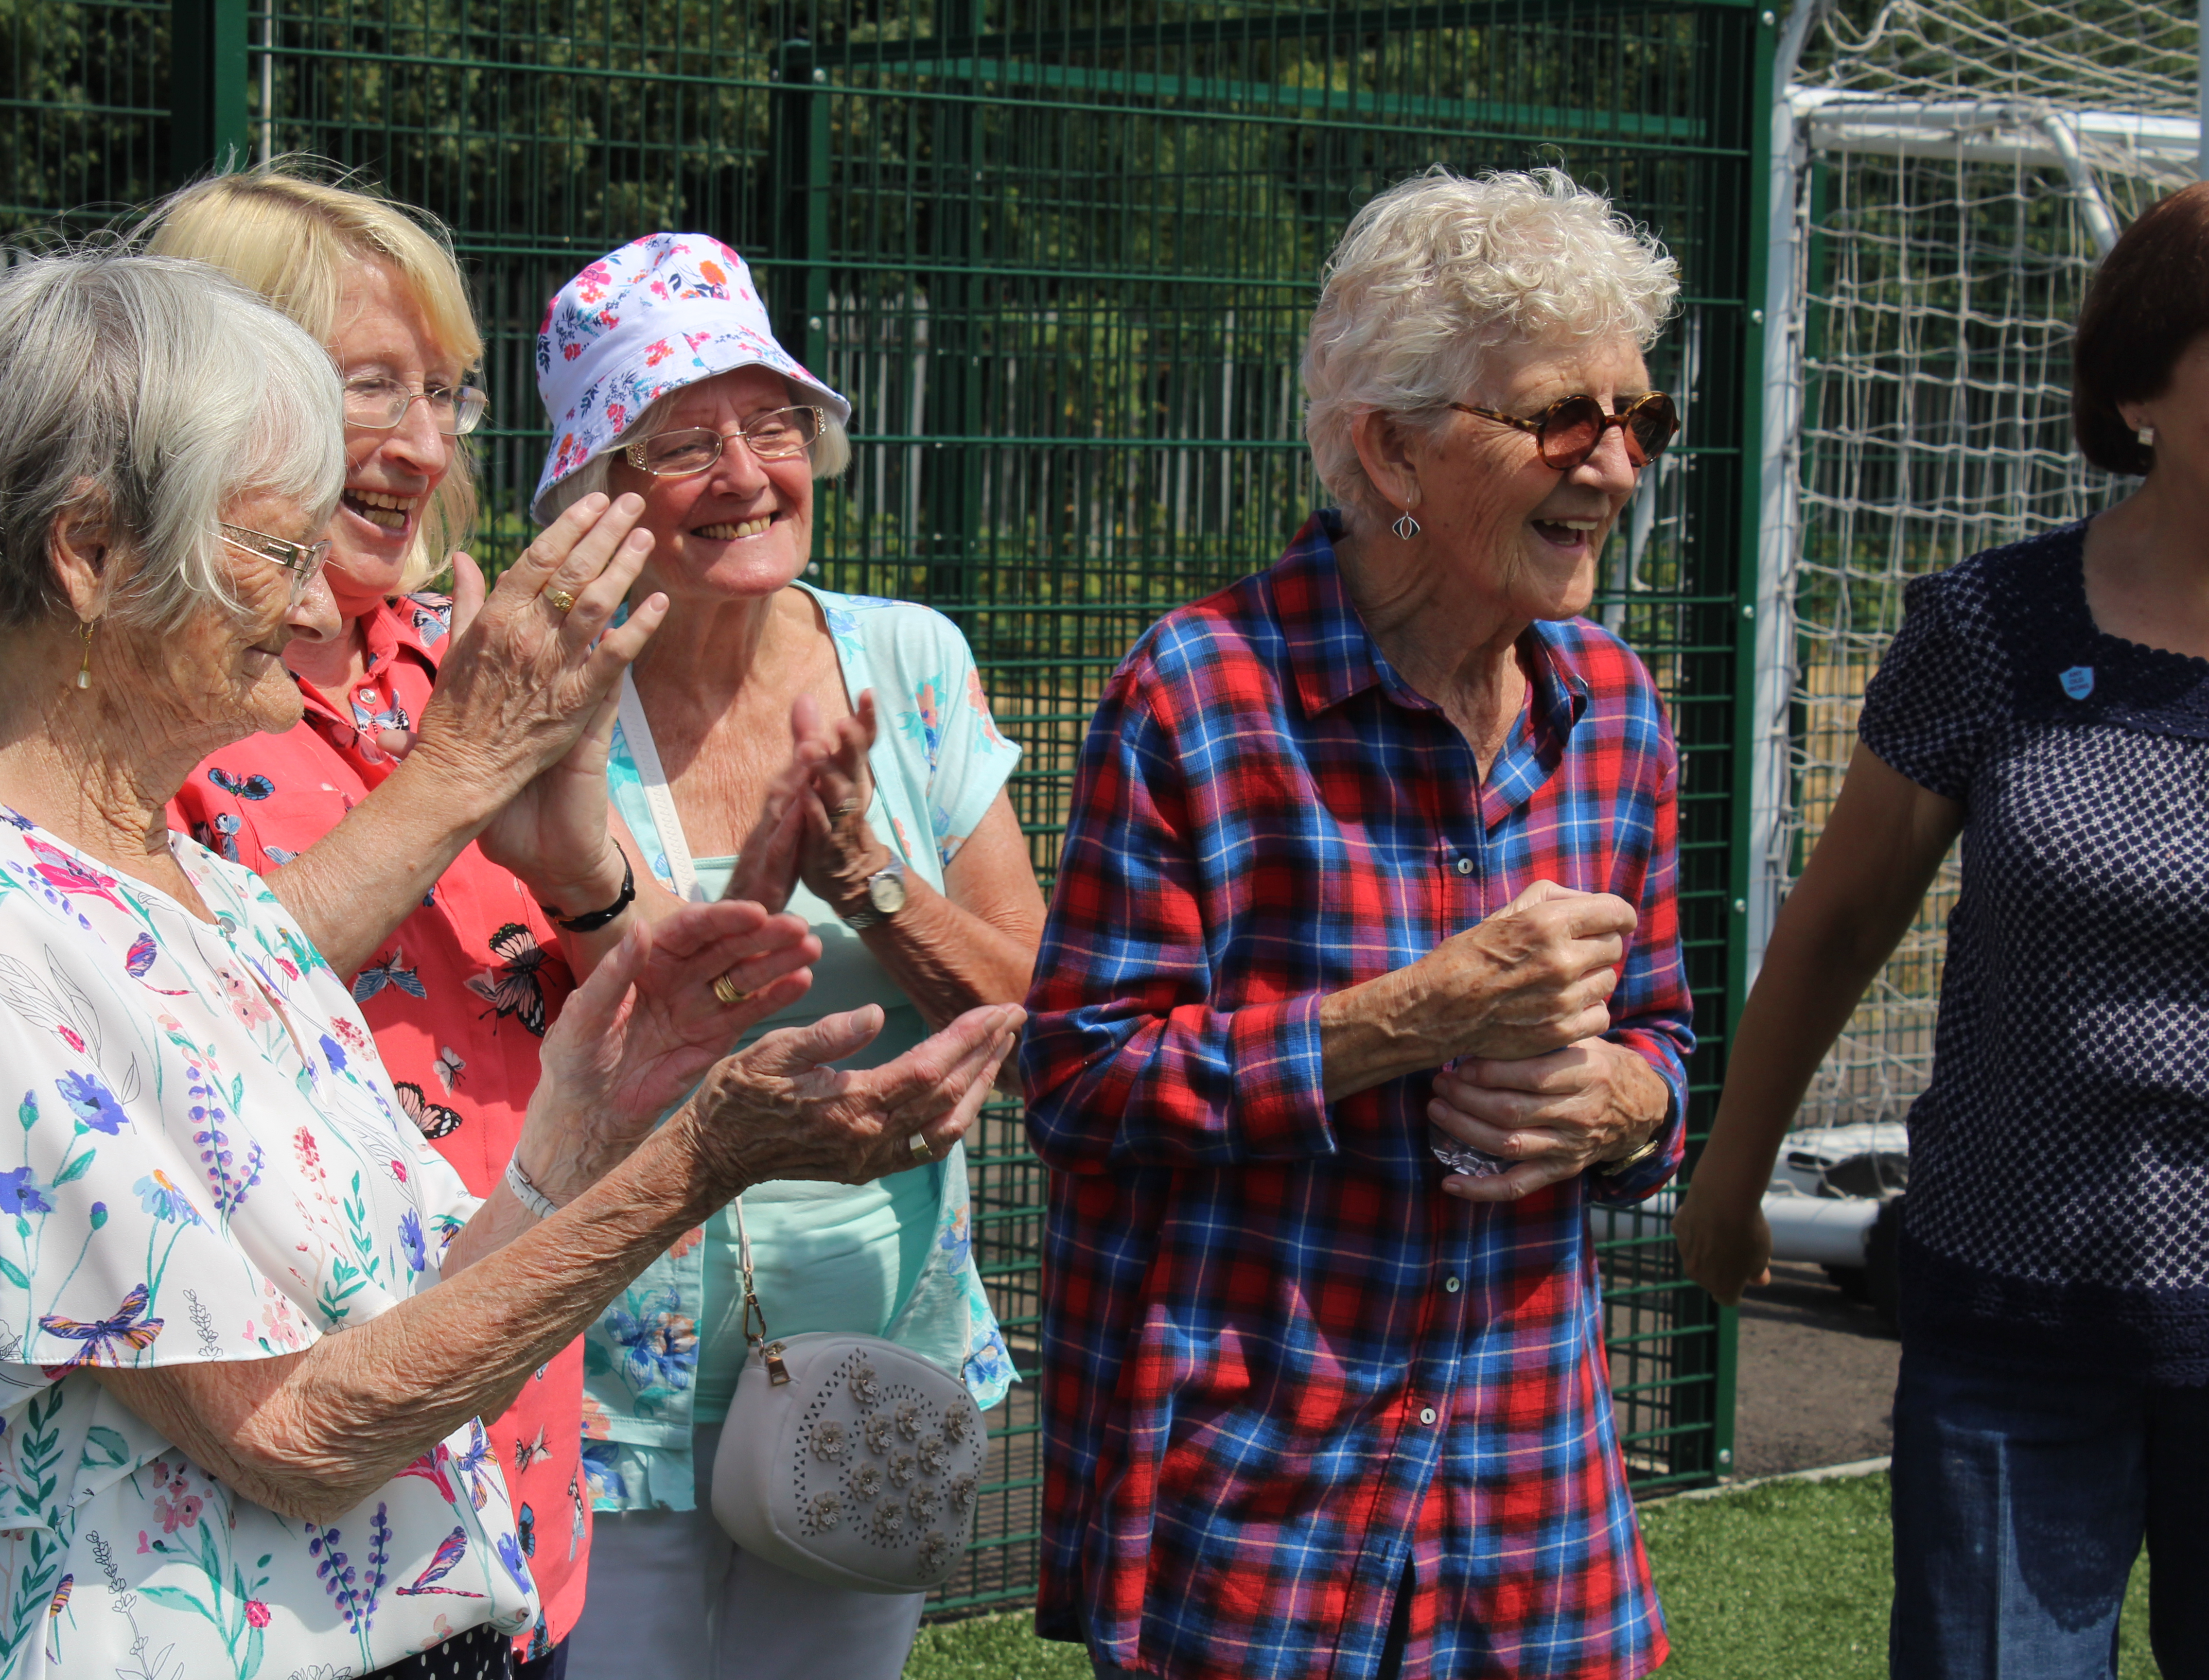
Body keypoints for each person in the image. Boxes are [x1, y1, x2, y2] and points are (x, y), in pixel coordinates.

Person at [0, 249, 1023, 1680]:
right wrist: (701, 1165)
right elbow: (297, 1440)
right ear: (91, 553)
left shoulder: (193, 890)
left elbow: (398, 1302)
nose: (317, 606)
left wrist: (600, 1106)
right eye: (270, 550)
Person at [0, 160, 669, 1664]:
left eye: (446, 390)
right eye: (370, 387)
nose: (423, 441)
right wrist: (453, 781)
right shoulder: (83, 703)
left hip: (495, 1444)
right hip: (253, 1509)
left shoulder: (450, 652)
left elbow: (649, 1020)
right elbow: (156, 1011)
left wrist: (583, 869)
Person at [1020, 168, 1696, 1680]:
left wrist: (1621, 1103)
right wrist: (1404, 1022)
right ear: (1390, 445)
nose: (1615, 468)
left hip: (1533, 1498)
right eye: (1560, 421)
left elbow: (1661, 1042)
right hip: (1272, 1506)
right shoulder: (1199, 695)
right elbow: (1076, 1084)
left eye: (1638, 419)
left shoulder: (1616, 714)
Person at [1674, 184, 2209, 1678]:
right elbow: (1840, 923)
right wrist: (1732, 1165)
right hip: (2011, 1321)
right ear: (2141, 388)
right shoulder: (1994, 628)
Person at [527, 232, 1047, 1679]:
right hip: (598, 1379)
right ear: (599, 489)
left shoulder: (914, 662)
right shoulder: (546, 706)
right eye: (682, 440)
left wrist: (863, 877)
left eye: (772, 426)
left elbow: (1041, 998)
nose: (747, 474)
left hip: (876, 1357)